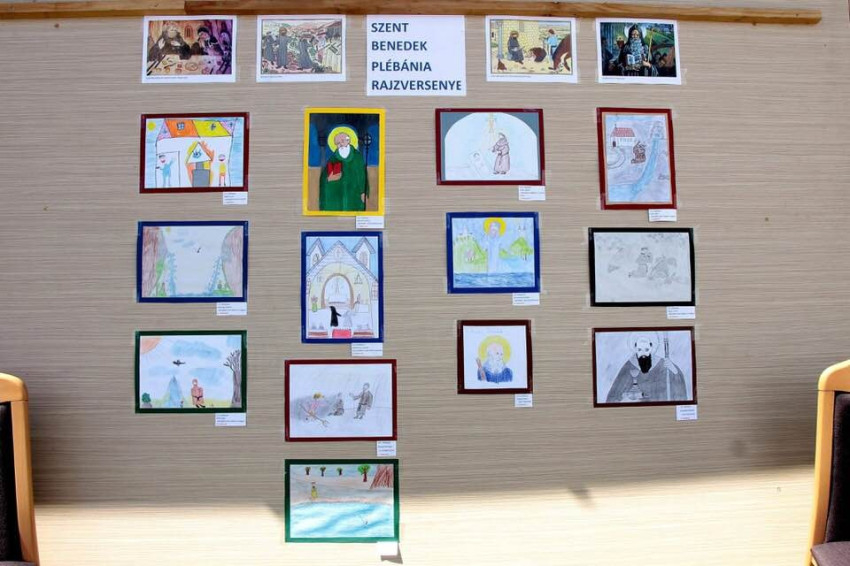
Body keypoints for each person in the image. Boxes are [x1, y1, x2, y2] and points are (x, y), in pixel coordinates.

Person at [605, 333, 687, 403]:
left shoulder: (662, 364)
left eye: (646, 349)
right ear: (635, 349)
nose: (643, 353)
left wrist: (674, 370)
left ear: (651, 348)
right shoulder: (630, 365)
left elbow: (678, 386)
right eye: (640, 350)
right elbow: (615, 393)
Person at [318, 132, 369, 211]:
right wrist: (329, 179)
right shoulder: (333, 159)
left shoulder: (357, 157)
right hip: (337, 197)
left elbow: (363, 176)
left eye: (342, 141)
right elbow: (324, 178)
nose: (340, 144)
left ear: (348, 141)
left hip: (353, 196)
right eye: (337, 143)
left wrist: (363, 192)